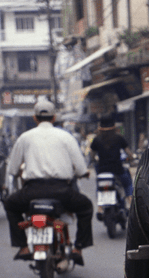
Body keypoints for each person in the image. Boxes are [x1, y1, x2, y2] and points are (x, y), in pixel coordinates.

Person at [3, 98, 93, 264]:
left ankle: (23, 246)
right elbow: (81, 169)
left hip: (32, 191)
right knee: (86, 207)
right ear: (54, 117)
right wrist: (82, 173)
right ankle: (78, 247)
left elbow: (12, 170)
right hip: (62, 191)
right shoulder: (66, 137)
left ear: (35, 118)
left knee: (10, 204)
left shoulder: (25, 137)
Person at [89, 114, 134, 212]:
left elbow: (92, 155)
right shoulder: (119, 138)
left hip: (102, 170)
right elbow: (128, 152)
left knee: (99, 184)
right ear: (114, 126)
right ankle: (129, 200)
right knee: (127, 183)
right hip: (118, 169)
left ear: (100, 126)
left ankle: (100, 207)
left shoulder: (96, 140)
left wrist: (94, 160)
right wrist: (131, 157)